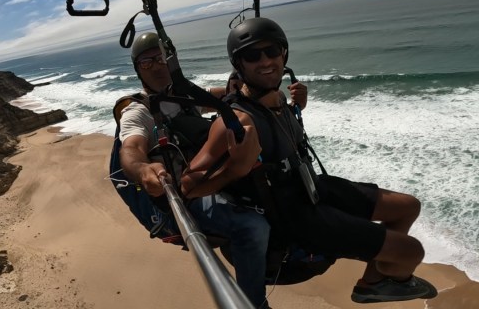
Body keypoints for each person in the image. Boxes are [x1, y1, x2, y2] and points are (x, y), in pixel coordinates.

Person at [181, 17, 438, 304]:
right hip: (296, 214)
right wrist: (235, 169)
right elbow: (189, 186)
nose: (265, 61)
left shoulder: (277, 98)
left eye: (272, 52)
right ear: (238, 65)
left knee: (407, 207)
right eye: (252, 56)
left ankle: (373, 281)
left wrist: (295, 108)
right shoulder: (236, 120)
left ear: (284, 54)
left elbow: (281, 137)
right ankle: (390, 281)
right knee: (411, 252)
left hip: (313, 186)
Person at [117, 32, 272, 307]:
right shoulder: (138, 112)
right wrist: (143, 170)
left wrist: (253, 86)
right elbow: (130, 149)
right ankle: (254, 303)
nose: (156, 65)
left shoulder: (182, 96)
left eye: (162, 57)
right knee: (252, 226)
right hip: (187, 195)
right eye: (146, 62)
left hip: (209, 175)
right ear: (138, 70)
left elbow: (216, 96)